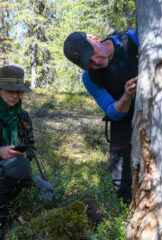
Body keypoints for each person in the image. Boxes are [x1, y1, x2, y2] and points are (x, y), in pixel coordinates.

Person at [64, 30, 138, 202]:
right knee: (121, 184)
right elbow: (111, 111)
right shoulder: (90, 77)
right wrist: (126, 97)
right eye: (88, 62)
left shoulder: (131, 40)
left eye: (92, 54)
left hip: (156, 115)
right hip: (123, 123)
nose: (95, 61)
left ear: (95, 39)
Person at [0, 65, 35, 239]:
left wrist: (25, 154)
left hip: (20, 171)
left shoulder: (24, 117)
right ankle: (2, 214)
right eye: (9, 91)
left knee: (47, 191)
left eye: (18, 92)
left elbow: (32, 148)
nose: (14, 96)